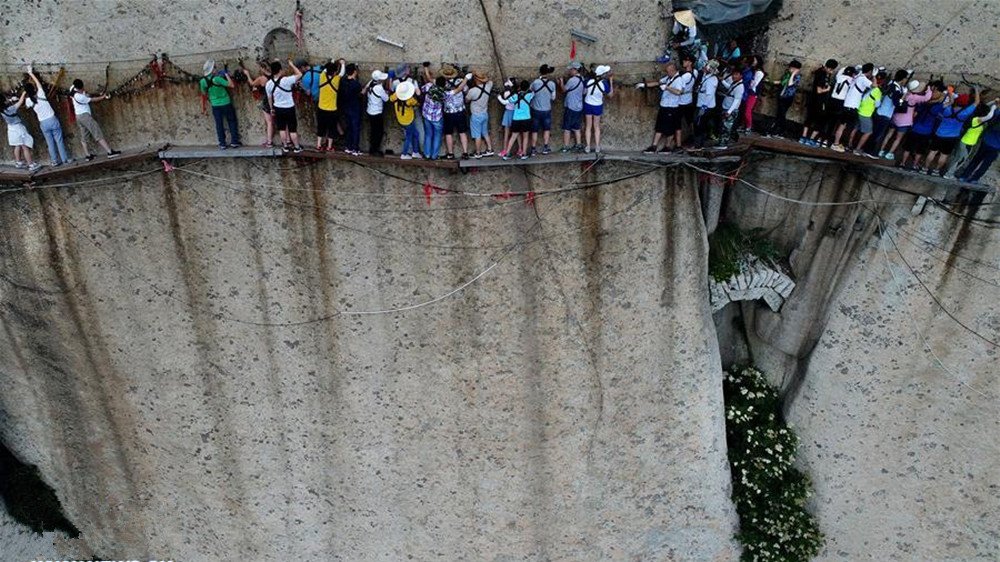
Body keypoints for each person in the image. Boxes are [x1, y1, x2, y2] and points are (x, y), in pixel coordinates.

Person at [924, 87, 980, 176]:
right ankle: (936, 171)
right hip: (951, 137)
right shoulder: (965, 113)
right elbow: (976, 102)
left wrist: (950, 92)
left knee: (932, 152)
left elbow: (950, 102)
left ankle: (925, 168)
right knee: (944, 155)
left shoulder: (947, 109)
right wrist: (977, 90)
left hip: (939, 133)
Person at [24, 66, 70, 165]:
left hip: (43, 123)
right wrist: (30, 73)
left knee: (50, 143)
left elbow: (27, 106)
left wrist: (25, 94)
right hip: (52, 119)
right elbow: (38, 84)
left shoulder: (28, 101)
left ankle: (54, 161)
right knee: (59, 140)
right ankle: (64, 160)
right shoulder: (40, 94)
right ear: (34, 88)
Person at [637, 62, 685, 153]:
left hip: (672, 107)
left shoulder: (679, 80)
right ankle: (654, 146)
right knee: (659, 127)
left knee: (669, 129)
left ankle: (667, 147)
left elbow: (679, 92)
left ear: (672, 71)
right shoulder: (668, 78)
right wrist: (645, 85)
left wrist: (667, 88)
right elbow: (658, 82)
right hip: (664, 106)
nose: (666, 73)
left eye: (667, 71)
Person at [944, 99, 997, 179]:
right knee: (961, 159)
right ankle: (948, 174)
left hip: (968, 142)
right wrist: (994, 107)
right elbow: (989, 116)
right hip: (966, 143)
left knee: (958, 158)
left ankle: (948, 172)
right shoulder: (976, 120)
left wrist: (993, 101)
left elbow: (984, 107)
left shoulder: (977, 118)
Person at [69, 79, 121, 160]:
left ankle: (87, 155)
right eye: (82, 88)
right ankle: (109, 152)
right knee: (97, 132)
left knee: (84, 136)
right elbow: (92, 100)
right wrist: (102, 97)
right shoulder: (79, 97)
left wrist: (87, 94)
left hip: (78, 116)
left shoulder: (72, 88)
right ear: (80, 88)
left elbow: (86, 95)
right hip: (85, 116)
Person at [881, 79, 932, 161]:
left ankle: (881, 150)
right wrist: (928, 89)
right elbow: (927, 98)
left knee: (889, 135)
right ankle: (890, 153)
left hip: (895, 117)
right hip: (904, 121)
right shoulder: (915, 97)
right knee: (898, 138)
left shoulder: (904, 93)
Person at [899, 84, 945, 171]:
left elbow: (915, 114)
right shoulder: (938, 106)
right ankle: (914, 165)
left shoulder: (922, 103)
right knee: (920, 150)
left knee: (908, 148)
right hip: (926, 131)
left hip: (915, 128)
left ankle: (902, 163)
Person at [199, 60, 241, 150]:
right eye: (214, 67)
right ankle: (234, 141)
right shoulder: (217, 79)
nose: (216, 68)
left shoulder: (202, 81)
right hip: (226, 103)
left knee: (219, 124)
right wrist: (226, 75)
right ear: (211, 69)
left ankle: (222, 143)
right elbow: (231, 85)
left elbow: (203, 95)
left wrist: (204, 107)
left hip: (215, 105)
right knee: (232, 121)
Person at [831, 63, 873, 152]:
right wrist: (875, 77)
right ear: (869, 71)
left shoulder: (857, 76)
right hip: (852, 106)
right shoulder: (864, 79)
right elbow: (874, 86)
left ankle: (837, 143)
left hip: (847, 104)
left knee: (843, 125)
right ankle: (835, 144)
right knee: (843, 126)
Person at [265, 59, 304, 153]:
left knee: (282, 128)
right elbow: (299, 74)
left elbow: (269, 98)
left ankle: (285, 146)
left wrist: (271, 109)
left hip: (278, 108)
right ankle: (297, 147)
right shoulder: (286, 80)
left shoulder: (268, 84)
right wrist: (291, 64)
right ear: (280, 70)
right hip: (289, 107)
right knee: (292, 129)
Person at [799, 59, 837, 147]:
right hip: (819, 101)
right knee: (820, 121)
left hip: (813, 100)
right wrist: (827, 89)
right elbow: (819, 90)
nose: (831, 71)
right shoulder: (822, 75)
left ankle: (803, 137)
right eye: (831, 69)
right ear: (828, 68)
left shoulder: (820, 72)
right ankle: (811, 139)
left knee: (809, 118)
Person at [436, 65, 470, 160]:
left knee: (448, 133)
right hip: (460, 111)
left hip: (448, 112)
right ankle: (465, 152)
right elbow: (466, 90)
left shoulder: (443, 84)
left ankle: (450, 153)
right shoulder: (460, 82)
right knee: (462, 132)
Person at [849, 70, 885, 157]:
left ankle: (849, 144)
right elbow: (877, 105)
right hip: (866, 113)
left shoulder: (869, 87)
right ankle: (857, 149)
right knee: (868, 132)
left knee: (856, 128)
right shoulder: (878, 91)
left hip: (859, 109)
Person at [240, 61, 276, 147]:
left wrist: (247, 74)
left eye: (260, 68)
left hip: (267, 100)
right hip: (277, 99)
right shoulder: (274, 75)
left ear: (263, 68)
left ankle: (269, 142)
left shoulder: (261, 78)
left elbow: (252, 83)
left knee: (269, 122)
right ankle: (286, 141)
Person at [2, 92, 41, 171]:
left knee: (17, 145)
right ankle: (31, 165)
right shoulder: (11, 109)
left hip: (11, 128)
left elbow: (7, 103)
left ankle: (18, 162)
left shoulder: (2, 110)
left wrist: (10, 100)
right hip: (18, 128)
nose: (7, 99)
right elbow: (20, 102)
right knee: (25, 146)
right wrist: (23, 94)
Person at [958, 117, 1000, 185]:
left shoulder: (998, 114)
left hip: (986, 140)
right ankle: (974, 179)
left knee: (976, 159)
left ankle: (964, 176)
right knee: (986, 164)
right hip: (996, 146)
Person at [316, 59, 346, 151]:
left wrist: (332, 61)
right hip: (332, 109)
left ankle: (318, 145)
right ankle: (329, 146)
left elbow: (325, 69)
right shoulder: (336, 80)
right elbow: (342, 73)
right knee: (331, 129)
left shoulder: (322, 77)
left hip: (321, 108)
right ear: (334, 72)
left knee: (321, 127)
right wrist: (343, 64)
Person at [767, 60, 802, 137]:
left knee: (782, 114)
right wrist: (771, 81)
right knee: (779, 113)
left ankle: (781, 130)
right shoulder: (786, 75)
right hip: (782, 95)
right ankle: (776, 129)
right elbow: (782, 82)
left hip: (788, 97)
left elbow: (790, 84)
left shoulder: (797, 77)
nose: (789, 68)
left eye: (791, 68)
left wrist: (793, 74)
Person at [583, 65, 612, 153]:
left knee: (588, 126)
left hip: (588, 104)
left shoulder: (588, 81)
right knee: (596, 126)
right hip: (597, 106)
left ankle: (587, 147)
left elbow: (584, 92)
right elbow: (610, 95)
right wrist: (611, 81)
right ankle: (597, 147)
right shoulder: (604, 84)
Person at [465, 70, 494, 158]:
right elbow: (490, 81)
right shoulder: (488, 86)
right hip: (484, 114)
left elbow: (466, 100)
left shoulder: (472, 91)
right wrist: (483, 77)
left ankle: (478, 153)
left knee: (477, 135)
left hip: (476, 115)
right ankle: (489, 149)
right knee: (485, 132)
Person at [501, 80, 534, 160]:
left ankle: (507, 153)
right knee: (525, 136)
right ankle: (524, 153)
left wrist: (499, 96)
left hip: (516, 118)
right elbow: (533, 91)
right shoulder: (530, 95)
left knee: (513, 136)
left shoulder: (515, 96)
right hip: (526, 118)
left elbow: (506, 101)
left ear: (520, 87)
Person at [529, 64, 557, 155]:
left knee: (534, 130)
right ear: (548, 73)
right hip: (547, 110)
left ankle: (533, 148)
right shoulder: (552, 84)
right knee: (547, 129)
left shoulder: (535, 83)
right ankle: (545, 147)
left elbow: (530, 93)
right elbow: (553, 98)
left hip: (536, 110)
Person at [389, 81, 421, 159]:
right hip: (409, 120)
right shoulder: (410, 100)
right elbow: (417, 103)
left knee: (414, 134)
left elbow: (390, 98)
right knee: (411, 136)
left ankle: (415, 151)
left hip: (400, 120)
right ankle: (405, 153)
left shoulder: (395, 96)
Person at [825, 65, 855, 146]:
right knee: (834, 122)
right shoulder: (851, 80)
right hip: (840, 102)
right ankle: (827, 140)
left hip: (832, 99)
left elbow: (841, 71)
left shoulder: (839, 76)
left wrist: (845, 67)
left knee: (827, 120)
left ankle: (821, 138)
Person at [558, 62, 585, 152]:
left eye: (571, 69)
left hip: (571, 106)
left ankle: (566, 146)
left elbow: (563, 90)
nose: (569, 71)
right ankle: (578, 144)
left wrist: (561, 82)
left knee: (567, 127)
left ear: (575, 69)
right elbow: (584, 92)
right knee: (576, 127)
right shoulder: (582, 79)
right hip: (579, 106)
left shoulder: (572, 80)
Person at [420, 67, 446, 160]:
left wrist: (426, 69)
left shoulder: (429, 86)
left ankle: (427, 154)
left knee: (428, 134)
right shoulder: (444, 93)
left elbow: (422, 90)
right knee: (437, 136)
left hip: (427, 115)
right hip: (437, 117)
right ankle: (434, 156)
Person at [363, 70, 390, 156]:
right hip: (376, 112)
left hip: (370, 110)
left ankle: (372, 148)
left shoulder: (371, 82)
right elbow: (386, 99)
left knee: (373, 131)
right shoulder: (379, 88)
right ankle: (375, 150)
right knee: (378, 132)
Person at [693, 60, 719, 147]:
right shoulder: (706, 76)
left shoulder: (711, 80)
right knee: (699, 124)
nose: (704, 67)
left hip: (705, 105)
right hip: (701, 103)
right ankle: (699, 143)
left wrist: (703, 108)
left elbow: (709, 94)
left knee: (699, 124)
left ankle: (699, 144)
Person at [718, 66, 746, 147]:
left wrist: (729, 111)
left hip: (730, 109)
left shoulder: (740, 87)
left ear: (741, 76)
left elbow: (737, 100)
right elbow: (729, 88)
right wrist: (722, 80)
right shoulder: (735, 83)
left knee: (726, 128)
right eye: (733, 74)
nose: (734, 76)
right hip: (726, 107)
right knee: (723, 126)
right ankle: (721, 143)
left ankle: (723, 144)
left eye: (736, 74)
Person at [740, 55, 764, 134]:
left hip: (752, 93)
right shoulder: (753, 70)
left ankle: (749, 126)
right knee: (744, 109)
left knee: (747, 111)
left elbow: (754, 84)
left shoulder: (759, 72)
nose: (753, 62)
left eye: (754, 60)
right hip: (748, 92)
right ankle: (744, 125)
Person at [497, 79, 517, 157]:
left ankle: (505, 149)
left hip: (508, 112)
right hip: (516, 113)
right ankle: (520, 149)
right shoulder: (516, 93)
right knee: (517, 133)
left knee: (506, 132)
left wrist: (499, 96)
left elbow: (504, 100)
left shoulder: (507, 93)